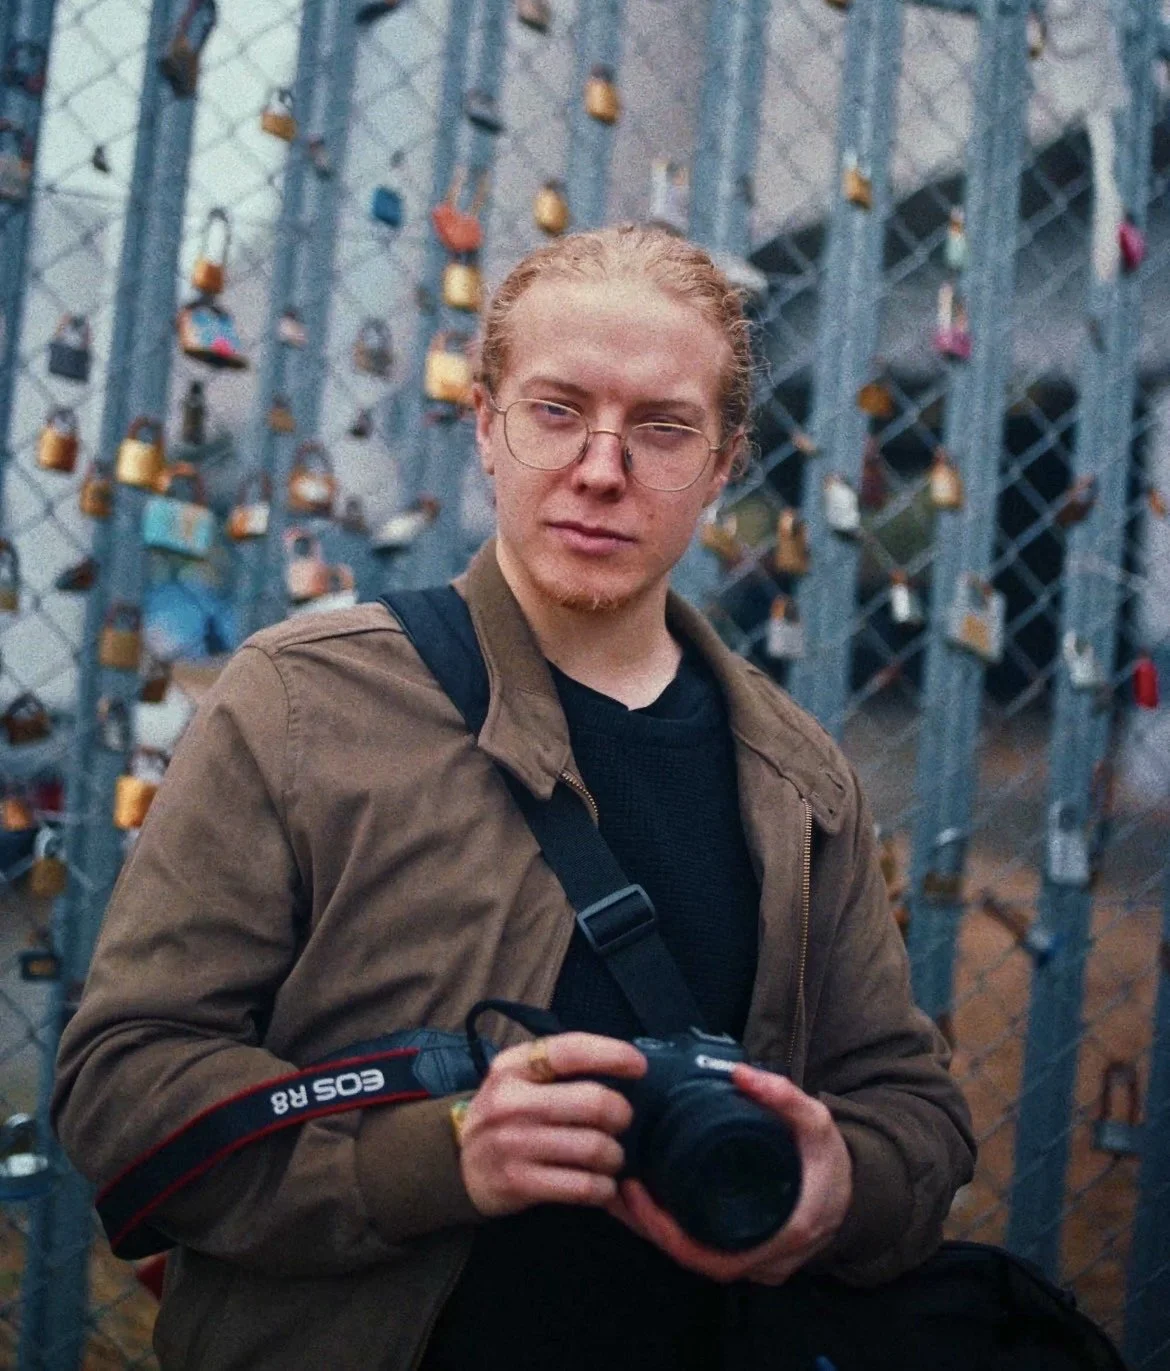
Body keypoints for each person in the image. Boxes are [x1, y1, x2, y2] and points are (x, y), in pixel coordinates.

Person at [53, 224, 975, 1371]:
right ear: (486, 426)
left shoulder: (798, 778)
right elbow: (125, 1077)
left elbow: (912, 1111)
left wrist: (840, 1185)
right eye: (556, 411)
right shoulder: (300, 704)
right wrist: (434, 1158)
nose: (601, 468)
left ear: (725, 463)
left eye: (663, 428)